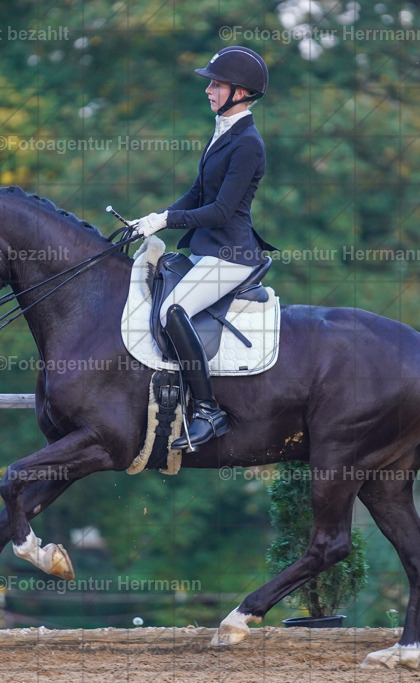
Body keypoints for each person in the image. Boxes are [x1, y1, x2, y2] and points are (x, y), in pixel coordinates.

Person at [131, 46, 277, 451]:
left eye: (216, 85)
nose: (208, 90)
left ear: (240, 93)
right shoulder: (223, 133)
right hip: (207, 249)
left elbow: (221, 211)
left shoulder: (248, 144)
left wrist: (167, 221)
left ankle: (210, 412)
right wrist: (152, 218)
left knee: (173, 310)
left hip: (231, 254)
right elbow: (197, 194)